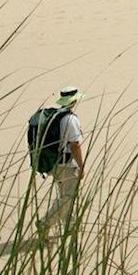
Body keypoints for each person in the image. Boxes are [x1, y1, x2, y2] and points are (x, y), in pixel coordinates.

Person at [40, 87, 86, 231]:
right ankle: (45, 223)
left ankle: (70, 226)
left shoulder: (55, 115)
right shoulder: (70, 119)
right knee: (68, 198)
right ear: (73, 101)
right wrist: (81, 166)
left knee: (65, 195)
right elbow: (74, 145)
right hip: (65, 164)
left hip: (54, 162)